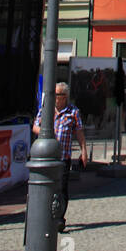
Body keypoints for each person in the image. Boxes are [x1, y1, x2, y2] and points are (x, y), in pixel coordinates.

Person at [33, 83, 86, 233]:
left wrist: (84, 151)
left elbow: (79, 132)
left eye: (58, 96)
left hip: (64, 156)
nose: (56, 99)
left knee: (62, 188)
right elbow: (35, 126)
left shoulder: (73, 112)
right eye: (54, 95)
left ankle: (59, 218)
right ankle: (45, 217)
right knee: (45, 187)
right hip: (47, 156)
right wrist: (46, 132)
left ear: (64, 97)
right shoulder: (46, 110)